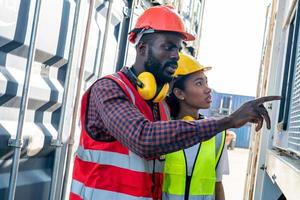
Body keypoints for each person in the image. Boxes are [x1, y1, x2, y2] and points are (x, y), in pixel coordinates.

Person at [70, 5, 280, 200]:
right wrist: (229, 120)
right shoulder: (108, 89)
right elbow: (143, 139)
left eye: (178, 49)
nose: (176, 56)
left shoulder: (160, 105)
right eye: (168, 47)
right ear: (142, 48)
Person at [163, 52, 228, 200]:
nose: (208, 89)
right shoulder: (161, 131)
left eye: (206, 82)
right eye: (199, 83)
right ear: (179, 93)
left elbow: (218, 185)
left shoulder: (218, 134)